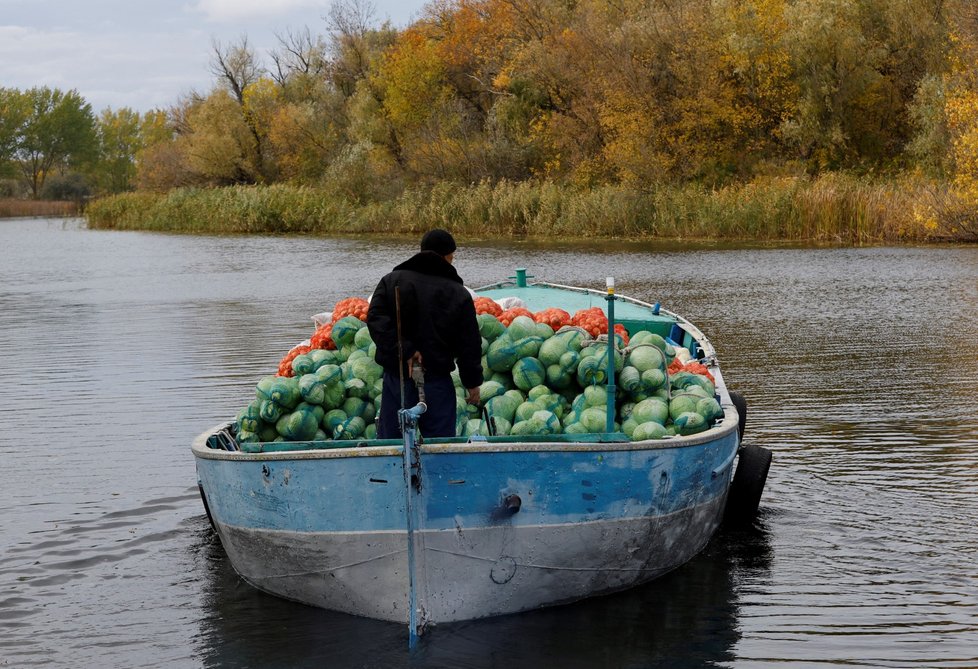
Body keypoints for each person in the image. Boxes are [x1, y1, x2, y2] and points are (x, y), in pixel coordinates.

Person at [367, 229, 483, 439]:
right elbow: (469, 344)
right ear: (446, 256)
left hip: (397, 380)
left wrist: (404, 349)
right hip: (436, 381)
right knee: (440, 444)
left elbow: (376, 321)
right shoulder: (458, 294)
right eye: (452, 256)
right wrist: (472, 382)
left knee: (392, 445)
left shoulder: (391, 281)